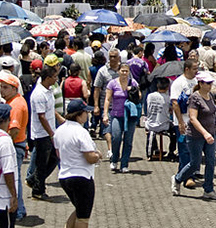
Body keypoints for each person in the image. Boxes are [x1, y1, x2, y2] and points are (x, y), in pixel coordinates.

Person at [173, 72, 216, 200]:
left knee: (211, 161)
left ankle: (209, 190)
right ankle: (178, 179)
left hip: (210, 134)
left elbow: (213, 115)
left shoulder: (210, 96)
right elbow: (193, 119)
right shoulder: (195, 98)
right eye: (208, 83)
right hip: (195, 136)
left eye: (211, 83)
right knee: (195, 163)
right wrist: (204, 133)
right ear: (201, 84)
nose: (211, 85)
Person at [53, 99, 102, 228]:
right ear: (79, 114)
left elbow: (58, 154)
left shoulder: (59, 131)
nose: (88, 115)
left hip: (64, 177)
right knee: (83, 218)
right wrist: (98, 155)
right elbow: (90, 157)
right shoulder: (81, 132)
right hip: (82, 178)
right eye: (86, 112)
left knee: (79, 209)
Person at [27, 66, 63, 198]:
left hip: (49, 130)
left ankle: (33, 179)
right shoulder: (39, 94)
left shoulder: (48, 91)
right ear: (47, 78)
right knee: (42, 162)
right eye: (54, 77)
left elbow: (49, 109)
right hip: (42, 134)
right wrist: (51, 134)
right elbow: (41, 116)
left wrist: (58, 118)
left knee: (53, 158)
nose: (56, 79)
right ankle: (38, 189)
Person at [0, 73, 29, 220]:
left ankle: (18, 210)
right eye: (1, 87)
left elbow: (14, 131)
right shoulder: (14, 101)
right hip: (18, 145)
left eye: (5, 87)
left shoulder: (15, 105)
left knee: (14, 180)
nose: (2, 90)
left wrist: (4, 146)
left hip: (15, 146)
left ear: (15, 88)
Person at [102, 63, 138, 173]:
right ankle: (114, 159)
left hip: (130, 116)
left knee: (128, 141)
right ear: (118, 71)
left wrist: (132, 89)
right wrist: (105, 114)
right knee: (116, 137)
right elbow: (107, 99)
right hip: (116, 115)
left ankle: (124, 164)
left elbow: (139, 96)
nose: (124, 73)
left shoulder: (133, 82)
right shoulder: (112, 83)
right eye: (122, 71)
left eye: (126, 71)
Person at [170, 60, 198, 176]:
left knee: (193, 149)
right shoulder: (178, 83)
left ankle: (184, 173)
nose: (197, 71)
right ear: (187, 69)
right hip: (182, 121)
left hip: (194, 120)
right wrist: (181, 122)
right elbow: (175, 103)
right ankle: (185, 176)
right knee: (184, 149)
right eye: (194, 69)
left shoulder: (197, 81)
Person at [145, 77, 173, 159]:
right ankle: (171, 151)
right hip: (164, 125)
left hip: (150, 124)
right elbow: (170, 110)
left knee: (150, 132)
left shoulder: (150, 96)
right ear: (168, 87)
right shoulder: (168, 98)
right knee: (174, 132)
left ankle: (151, 150)